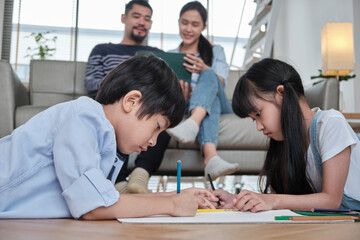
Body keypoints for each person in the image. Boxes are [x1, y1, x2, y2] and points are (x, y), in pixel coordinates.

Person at [0, 55, 218, 219]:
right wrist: (172, 206)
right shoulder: (83, 118)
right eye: (157, 127)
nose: (153, 141)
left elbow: (108, 199)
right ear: (131, 101)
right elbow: (93, 207)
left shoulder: (104, 140)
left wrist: (174, 197)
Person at [214, 58, 360, 212]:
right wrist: (238, 200)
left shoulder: (330, 123)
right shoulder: (284, 140)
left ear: (281, 93)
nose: (258, 126)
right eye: (253, 120)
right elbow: (287, 199)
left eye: (258, 113)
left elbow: (331, 200)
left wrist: (272, 200)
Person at [85, 0, 172, 194]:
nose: (142, 22)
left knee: (160, 120)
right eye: (136, 16)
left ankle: (140, 177)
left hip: (149, 107)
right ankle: (119, 181)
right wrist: (126, 80)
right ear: (124, 18)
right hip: (116, 105)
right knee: (118, 121)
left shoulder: (158, 56)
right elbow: (92, 84)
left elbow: (166, 90)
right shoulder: (102, 51)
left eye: (147, 19)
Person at [166, 1, 239, 180]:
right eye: (184, 23)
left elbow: (219, 83)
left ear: (203, 27)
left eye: (195, 24)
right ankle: (211, 158)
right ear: (178, 22)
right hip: (186, 103)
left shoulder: (216, 51)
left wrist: (204, 68)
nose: (189, 28)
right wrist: (182, 95)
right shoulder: (170, 55)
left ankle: (193, 123)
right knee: (207, 101)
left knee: (210, 75)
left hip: (220, 102)